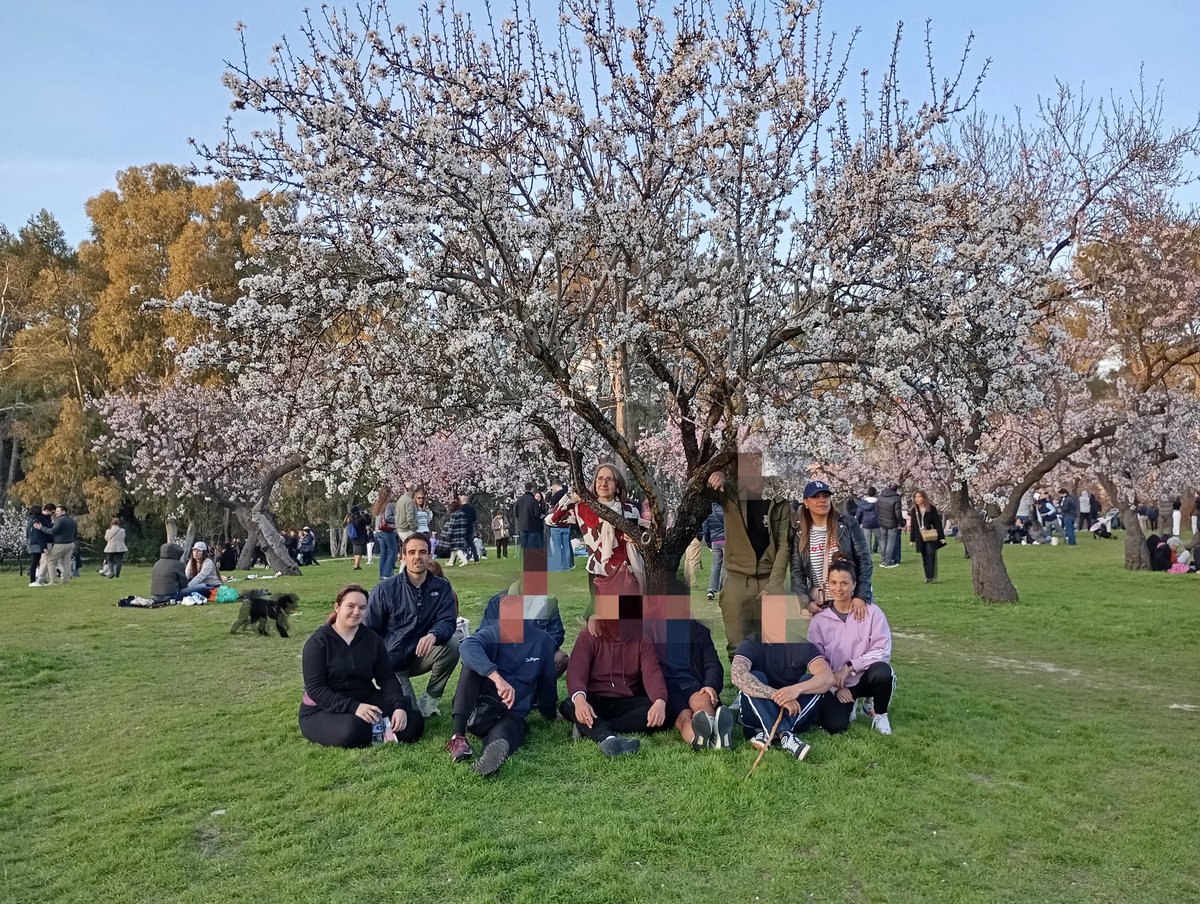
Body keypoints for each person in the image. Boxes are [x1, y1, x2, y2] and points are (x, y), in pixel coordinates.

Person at [445, 594, 560, 775]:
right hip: (482, 706)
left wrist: (550, 712)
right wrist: (496, 677)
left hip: (513, 710)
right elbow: (467, 646)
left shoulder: (542, 641)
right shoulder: (492, 633)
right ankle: (458, 736)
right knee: (470, 667)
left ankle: (491, 755)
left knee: (508, 731)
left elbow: (548, 681)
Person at [300, 584, 425, 748]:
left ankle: (378, 729)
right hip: (323, 708)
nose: (356, 612)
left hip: (365, 697)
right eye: (350, 606)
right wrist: (354, 707)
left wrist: (399, 707)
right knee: (353, 729)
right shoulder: (318, 642)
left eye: (362, 607)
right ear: (337, 607)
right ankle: (378, 731)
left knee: (413, 722)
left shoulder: (372, 639)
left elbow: (387, 678)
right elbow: (316, 689)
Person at [363, 533, 461, 717]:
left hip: (419, 654)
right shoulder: (385, 589)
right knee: (411, 716)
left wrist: (434, 634)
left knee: (453, 645)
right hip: (391, 663)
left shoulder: (442, 588)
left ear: (429, 556)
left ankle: (430, 700)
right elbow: (368, 629)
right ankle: (387, 688)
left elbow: (447, 621)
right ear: (403, 556)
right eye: (412, 552)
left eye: (423, 552)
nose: (417, 556)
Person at [730, 594, 837, 761]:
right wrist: (778, 696)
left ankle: (769, 734)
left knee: (811, 680)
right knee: (754, 677)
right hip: (760, 709)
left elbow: (827, 677)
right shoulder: (751, 643)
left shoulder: (800, 644)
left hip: (793, 709)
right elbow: (738, 675)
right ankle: (786, 734)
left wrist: (795, 690)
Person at [704, 453, 792, 656]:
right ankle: (743, 687)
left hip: (769, 577)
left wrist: (775, 585)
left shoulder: (779, 499)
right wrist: (716, 472)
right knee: (738, 647)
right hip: (737, 579)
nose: (753, 468)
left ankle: (772, 686)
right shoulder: (730, 490)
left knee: (775, 643)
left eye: (758, 463)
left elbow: (783, 546)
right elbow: (695, 484)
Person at [560, 595, 668, 757]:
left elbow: (652, 672)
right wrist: (581, 700)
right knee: (571, 704)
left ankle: (595, 727)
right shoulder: (589, 636)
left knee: (660, 710)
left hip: (625, 700)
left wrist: (660, 701)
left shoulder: (642, 639)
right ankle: (608, 738)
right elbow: (576, 670)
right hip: (595, 698)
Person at [546, 463, 648, 621]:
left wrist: (636, 539)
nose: (603, 483)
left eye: (609, 479)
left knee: (628, 622)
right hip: (597, 572)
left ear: (618, 485)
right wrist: (569, 498)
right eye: (600, 479)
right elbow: (551, 520)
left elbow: (642, 538)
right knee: (603, 623)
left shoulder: (629, 510)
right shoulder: (583, 509)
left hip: (625, 573)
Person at [807, 558, 896, 735]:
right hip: (835, 683)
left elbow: (883, 651)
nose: (838, 588)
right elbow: (813, 659)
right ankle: (849, 704)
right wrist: (833, 687)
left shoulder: (872, 613)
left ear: (854, 585)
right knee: (834, 726)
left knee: (883, 672)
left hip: (864, 678)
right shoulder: (819, 619)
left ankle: (880, 714)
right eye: (833, 582)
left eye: (844, 583)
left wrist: (850, 666)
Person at [644, 585, 733, 750]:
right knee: (685, 717)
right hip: (666, 688)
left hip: (693, 683)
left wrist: (710, 685)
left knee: (703, 703)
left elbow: (712, 664)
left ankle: (715, 735)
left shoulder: (699, 631)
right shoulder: (649, 630)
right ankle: (705, 738)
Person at [479, 548, 569, 676]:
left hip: (536, 654)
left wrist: (536, 648)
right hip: (505, 655)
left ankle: (538, 690)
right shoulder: (498, 601)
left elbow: (557, 633)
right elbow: (483, 634)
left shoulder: (550, 601)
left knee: (560, 658)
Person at [791, 480, 874, 616]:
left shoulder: (847, 524)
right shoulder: (800, 534)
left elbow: (864, 560)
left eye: (825, 496)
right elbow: (797, 571)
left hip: (851, 601)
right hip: (821, 604)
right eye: (816, 497)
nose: (822, 500)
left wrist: (861, 595)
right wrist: (805, 602)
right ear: (805, 502)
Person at [909, 490, 946, 583]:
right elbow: (913, 525)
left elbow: (937, 523)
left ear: (924, 498)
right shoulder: (914, 510)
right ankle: (927, 576)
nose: (917, 499)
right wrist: (912, 539)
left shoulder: (931, 509)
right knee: (924, 555)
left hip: (930, 535)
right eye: (915, 497)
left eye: (919, 497)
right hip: (920, 536)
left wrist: (941, 537)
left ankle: (932, 576)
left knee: (931, 553)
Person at [40, 504, 78, 585]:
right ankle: (66, 580)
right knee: (66, 563)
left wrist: (41, 528)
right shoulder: (72, 521)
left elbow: (52, 531)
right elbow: (75, 533)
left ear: (63, 511)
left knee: (51, 561)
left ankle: (53, 580)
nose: (56, 513)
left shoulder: (60, 520)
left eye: (58, 511)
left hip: (60, 544)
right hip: (70, 544)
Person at [546, 480, 574, 571]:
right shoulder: (567, 495)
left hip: (556, 526)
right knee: (566, 546)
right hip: (566, 525)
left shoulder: (555, 497)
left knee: (557, 547)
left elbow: (552, 511)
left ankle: (558, 566)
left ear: (555, 485)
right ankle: (567, 566)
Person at [701, 503, 726, 601]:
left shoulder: (708, 510)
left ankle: (711, 589)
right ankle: (723, 588)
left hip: (715, 541)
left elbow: (705, 528)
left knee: (715, 566)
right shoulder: (726, 509)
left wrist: (708, 542)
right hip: (726, 540)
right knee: (725, 566)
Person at [373, 488, 398, 578]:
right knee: (393, 551)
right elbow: (388, 517)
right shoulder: (389, 505)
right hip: (386, 530)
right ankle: (387, 573)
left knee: (383, 552)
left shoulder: (379, 504)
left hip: (379, 531)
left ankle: (382, 573)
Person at [25, 504, 52, 587]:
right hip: (37, 544)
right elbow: (39, 534)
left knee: (35, 562)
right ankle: (32, 581)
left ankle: (35, 580)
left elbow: (28, 533)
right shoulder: (36, 521)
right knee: (35, 563)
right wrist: (44, 546)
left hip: (32, 542)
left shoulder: (30, 520)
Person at [877, 484, 903, 567]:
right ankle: (888, 561)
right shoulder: (896, 499)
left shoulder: (880, 497)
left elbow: (876, 509)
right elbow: (898, 513)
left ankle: (882, 560)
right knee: (890, 542)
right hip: (892, 523)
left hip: (882, 522)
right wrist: (902, 523)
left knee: (883, 541)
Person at [515, 483, 545, 550]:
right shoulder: (534, 501)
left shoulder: (519, 500)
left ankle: (524, 558)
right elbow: (537, 514)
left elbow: (516, 513)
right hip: (533, 527)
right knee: (532, 545)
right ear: (532, 489)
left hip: (522, 526)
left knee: (524, 546)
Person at [441, 499, 471, 566]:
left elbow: (451, 525)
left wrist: (448, 534)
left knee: (456, 549)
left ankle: (464, 560)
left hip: (455, 534)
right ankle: (451, 562)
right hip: (462, 533)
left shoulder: (454, 515)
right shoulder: (463, 514)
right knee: (454, 548)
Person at [856, 487, 882, 556]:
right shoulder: (879, 502)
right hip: (876, 523)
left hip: (866, 523)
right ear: (875, 493)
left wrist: (858, 522)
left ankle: (868, 557)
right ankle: (884, 555)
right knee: (880, 539)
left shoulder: (863, 503)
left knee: (867, 541)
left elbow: (859, 513)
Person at [346, 505, 371, 570]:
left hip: (354, 537)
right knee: (360, 552)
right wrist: (366, 514)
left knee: (356, 552)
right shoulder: (360, 519)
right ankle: (356, 565)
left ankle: (358, 565)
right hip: (361, 537)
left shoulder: (351, 519)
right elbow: (368, 521)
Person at [459, 493, 480, 563]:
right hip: (470, 528)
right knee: (470, 543)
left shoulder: (460, 509)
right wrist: (476, 528)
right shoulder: (472, 508)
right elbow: (474, 519)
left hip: (462, 528)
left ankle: (463, 556)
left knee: (459, 544)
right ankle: (475, 557)